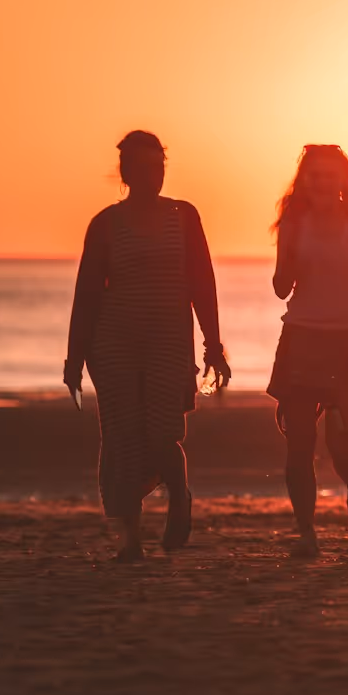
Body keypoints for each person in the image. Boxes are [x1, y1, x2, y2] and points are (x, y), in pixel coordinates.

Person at [64, 130, 230, 562]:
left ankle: (179, 495)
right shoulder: (105, 224)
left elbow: (202, 283)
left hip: (169, 342)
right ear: (125, 172)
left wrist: (214, 346)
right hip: (114, 344)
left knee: (162, 433)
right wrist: (74, 358)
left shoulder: (184, 216)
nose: (152, 175)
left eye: (158, 167)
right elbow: (87, 294)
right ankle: (130, 541)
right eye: (142, 167)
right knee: (122, 439)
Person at [267, 145, 348, 557]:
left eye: (330, 175)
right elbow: (281, 286)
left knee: (340, 441)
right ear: (304, 181)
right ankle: (307, 534)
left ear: (343, 180)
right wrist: (291, 259)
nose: (322, 183)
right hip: (301, 338)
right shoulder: (294, 222)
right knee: (299, 444)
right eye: (314, 176)